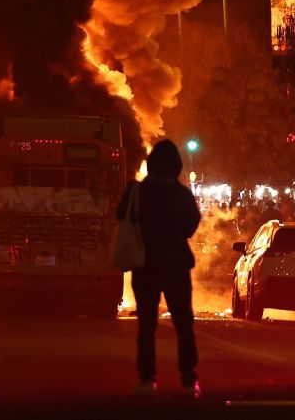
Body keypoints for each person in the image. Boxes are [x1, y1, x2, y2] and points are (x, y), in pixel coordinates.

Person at [117, 139, 201, 398]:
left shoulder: (136, 191)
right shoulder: (182, 194)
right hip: (176, 266)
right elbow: (190, 226)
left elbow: (122, 217)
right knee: (183, 324)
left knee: (146, 326)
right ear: (176, 166)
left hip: (145, 265)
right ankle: (188, 381)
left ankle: (146, 380)